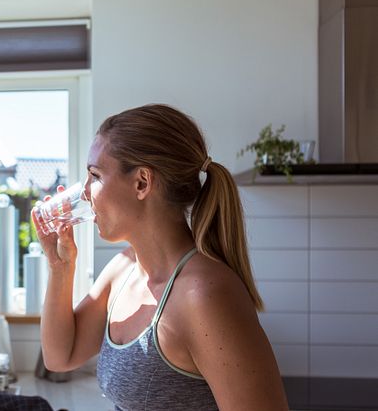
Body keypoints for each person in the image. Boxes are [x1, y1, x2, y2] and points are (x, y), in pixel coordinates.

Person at [32, 104, 288, 411]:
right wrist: (60, 267)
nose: (84, 192)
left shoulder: (204, 295)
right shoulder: (124, 269)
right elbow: (60, 357)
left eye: (95, 175)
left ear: (142, 182)